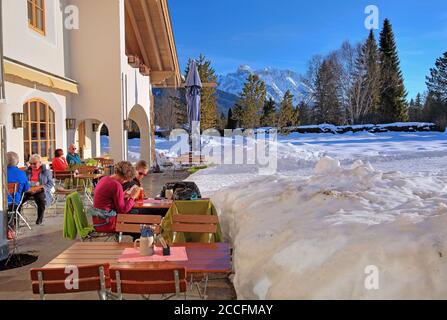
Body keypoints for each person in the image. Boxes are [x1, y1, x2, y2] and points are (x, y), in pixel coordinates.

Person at [91, 161, 140, 233]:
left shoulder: (104, 179)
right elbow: (122, 210)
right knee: (138, 217)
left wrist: (122, 195)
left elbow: (107, 200)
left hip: (98, 221)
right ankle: (138, 241)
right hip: (107, 224)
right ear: (125, 178)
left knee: (135, 214)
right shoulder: (116, 185)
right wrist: (132, 197)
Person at [22, 154, 54, 225]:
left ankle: (40, 217)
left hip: (40, 190)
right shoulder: (26, 172)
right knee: (18, 200)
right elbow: (23, 182)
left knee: (40, 199)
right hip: (28, 190)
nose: (32, 165)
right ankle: (15, 218)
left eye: (34, 163)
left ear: (40, 163)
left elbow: (51, 183)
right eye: (31, 163)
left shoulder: (46, 172)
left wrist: (42, 188)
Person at [6, 152, 30, 239]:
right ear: (17, 161)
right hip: (14, 202)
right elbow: (26, 189)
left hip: (2, 203)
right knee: (14, 208)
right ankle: (11, 230)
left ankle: (8, 229)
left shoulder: (2, 173)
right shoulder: (21, 173)